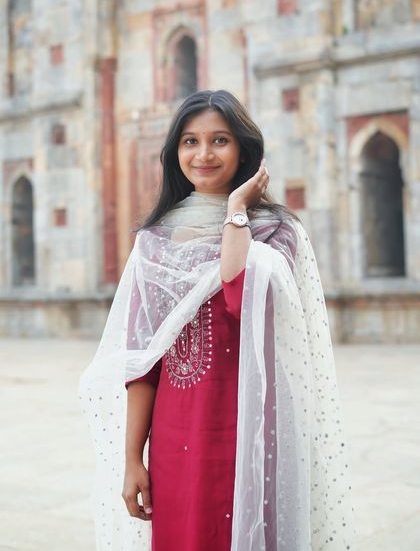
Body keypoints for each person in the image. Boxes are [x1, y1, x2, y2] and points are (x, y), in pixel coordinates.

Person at [79, 89, 355, 551]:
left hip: (251, 423)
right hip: (175, 434)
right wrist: (132, 458)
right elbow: (142, 363)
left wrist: (236, 212)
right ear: (174, 153)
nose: (203, 154)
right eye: (190, 141)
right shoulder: (155, 242)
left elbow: (238, 292)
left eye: (220, 140)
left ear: (244, 149)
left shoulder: (276, 232)